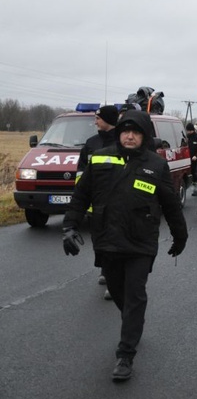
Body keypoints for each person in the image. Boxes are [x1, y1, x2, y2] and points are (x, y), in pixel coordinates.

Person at [62, 110, 188, 382]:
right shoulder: (99, 158)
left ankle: (125, 354)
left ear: (144, 136)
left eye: (136, 132)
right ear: (119, 133)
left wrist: (181, 237)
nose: (130, 136)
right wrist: (69, 226)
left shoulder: (156, 165)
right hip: (107, 241)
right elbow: (81, 196)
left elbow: (171, 204)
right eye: (125, 131)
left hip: (141, 242)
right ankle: (133, 323)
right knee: (119, 294)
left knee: (134, 294)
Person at [76, 104, 119, 299]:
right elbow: (81, 172)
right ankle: (103, 267)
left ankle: (113, 280)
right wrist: (81, 197)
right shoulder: (91, 143)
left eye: (98, 118)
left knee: (114, 240)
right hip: (95, 204)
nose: (95, 121)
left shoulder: (122, 142)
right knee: (98, 240)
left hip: (118, 205)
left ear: (108, 119)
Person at [185, 123, 197, 197]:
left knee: (195, 175)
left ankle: (196, 190)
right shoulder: (187, 137)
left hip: (195, 160)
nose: (188, 132)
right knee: (189, 174)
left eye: (189, 131)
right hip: (188, 158)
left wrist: (196, 156)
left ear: (192, 130)